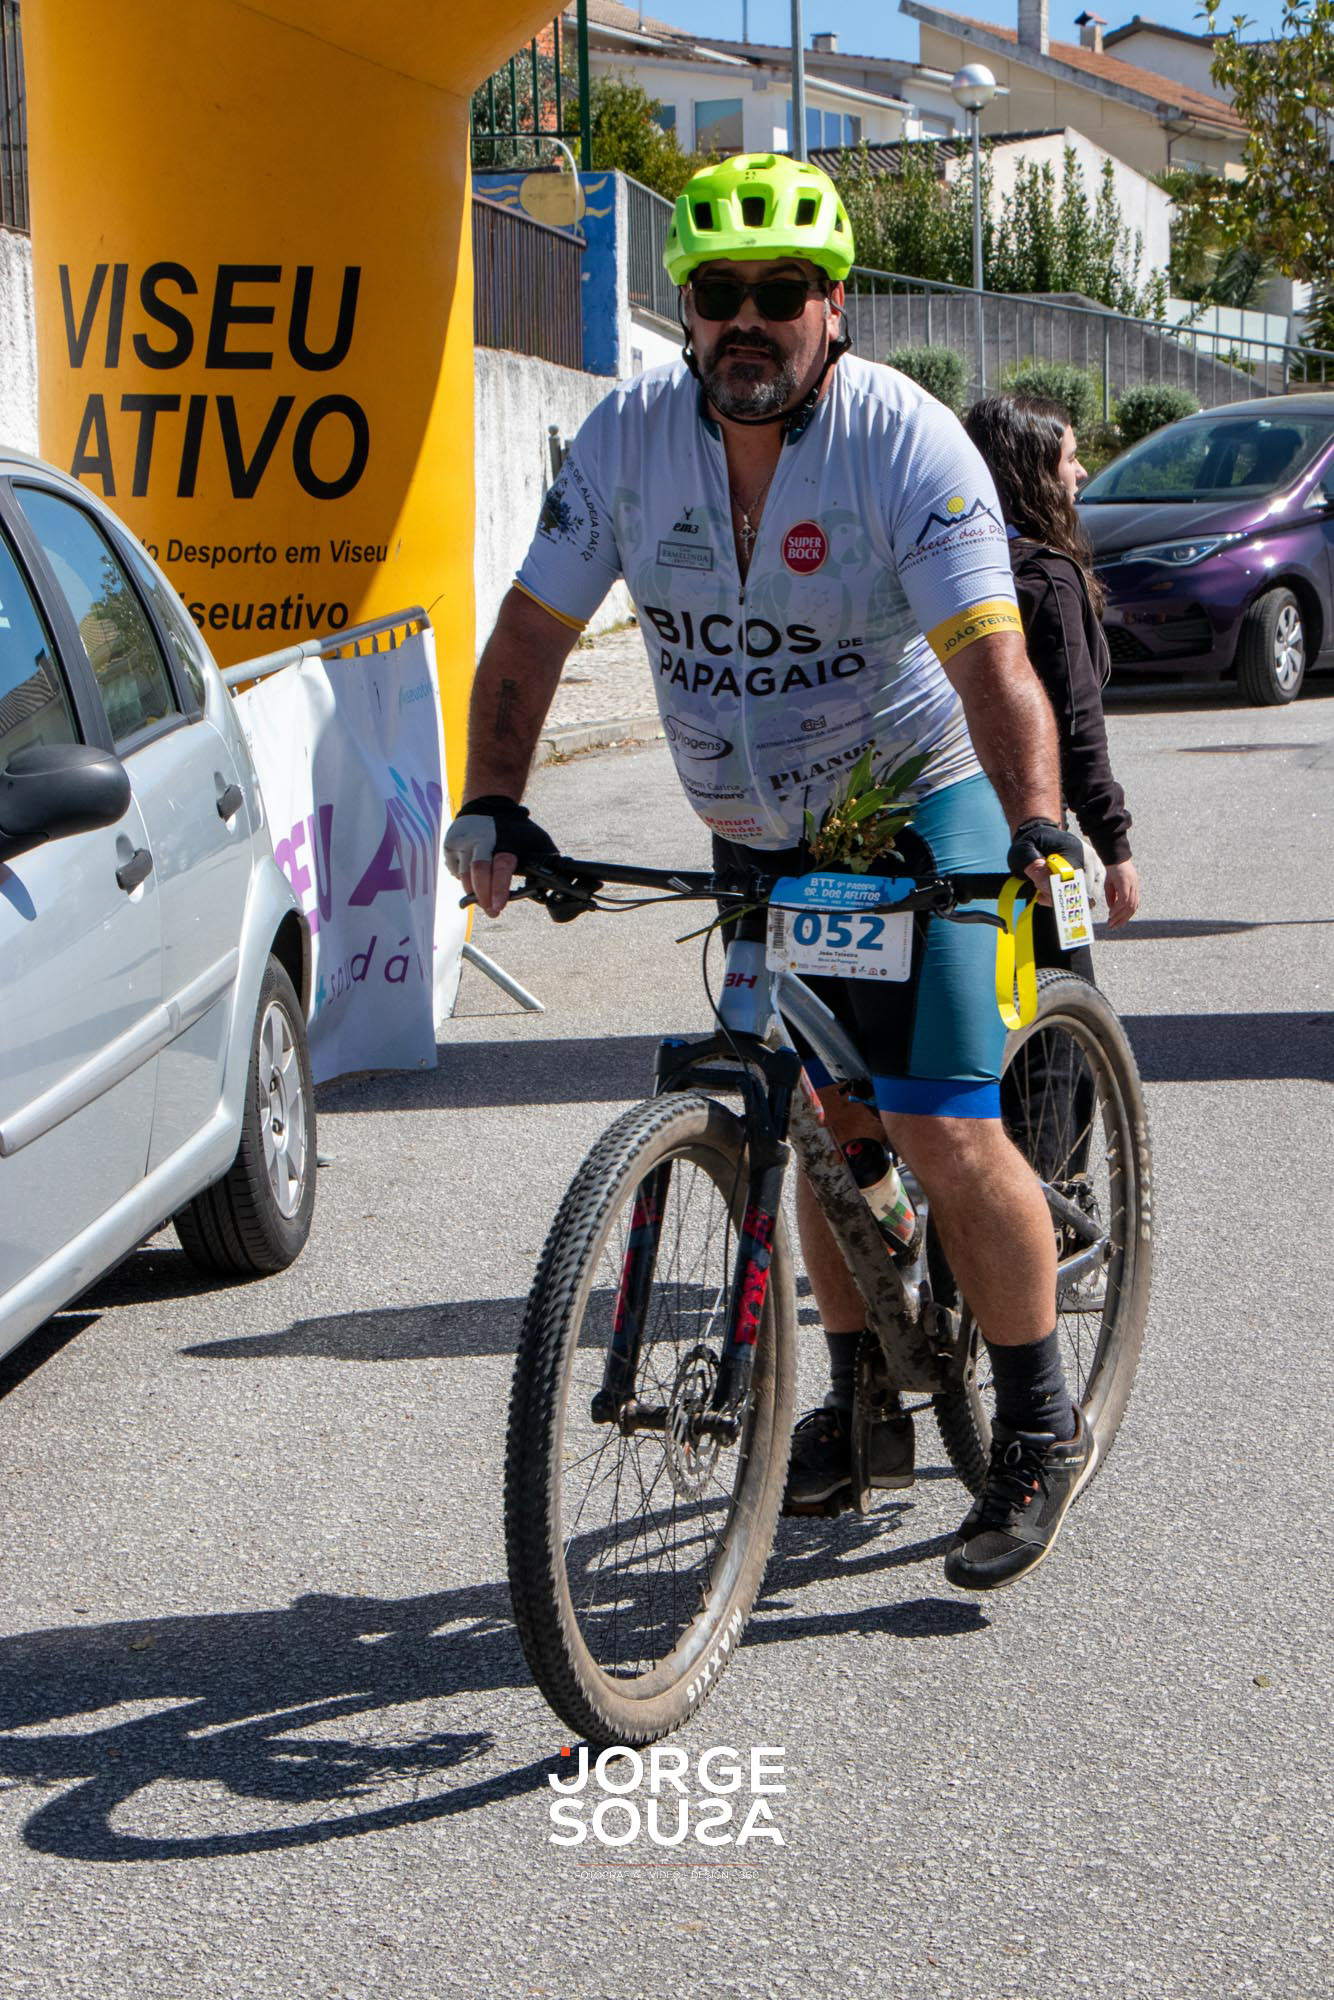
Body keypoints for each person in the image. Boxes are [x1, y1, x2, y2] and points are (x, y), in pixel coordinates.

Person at [446, 152, 1099, 1592]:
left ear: (832, 306)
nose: (747, 318)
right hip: (755, 828)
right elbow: (532, 632)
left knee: (935, 1121)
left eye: (780, 291)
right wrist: (494, 801)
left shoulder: (903, 446)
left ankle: (1036, 1419)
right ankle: (858, 1400)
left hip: (918, 806)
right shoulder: (626, 442)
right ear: (686, 309)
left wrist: (1038, 820)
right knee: (807, 1112)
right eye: (719, 291)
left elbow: (992, 662)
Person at [962, 393, 1140, 974]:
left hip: (947, 823)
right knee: (1067, 993)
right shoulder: (1046, 578)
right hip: (1038, 835)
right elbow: (1076, 724)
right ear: (1033, 471)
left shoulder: (950, 565)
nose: (1081, 472)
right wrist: (1114, 847)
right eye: (1070, 457)